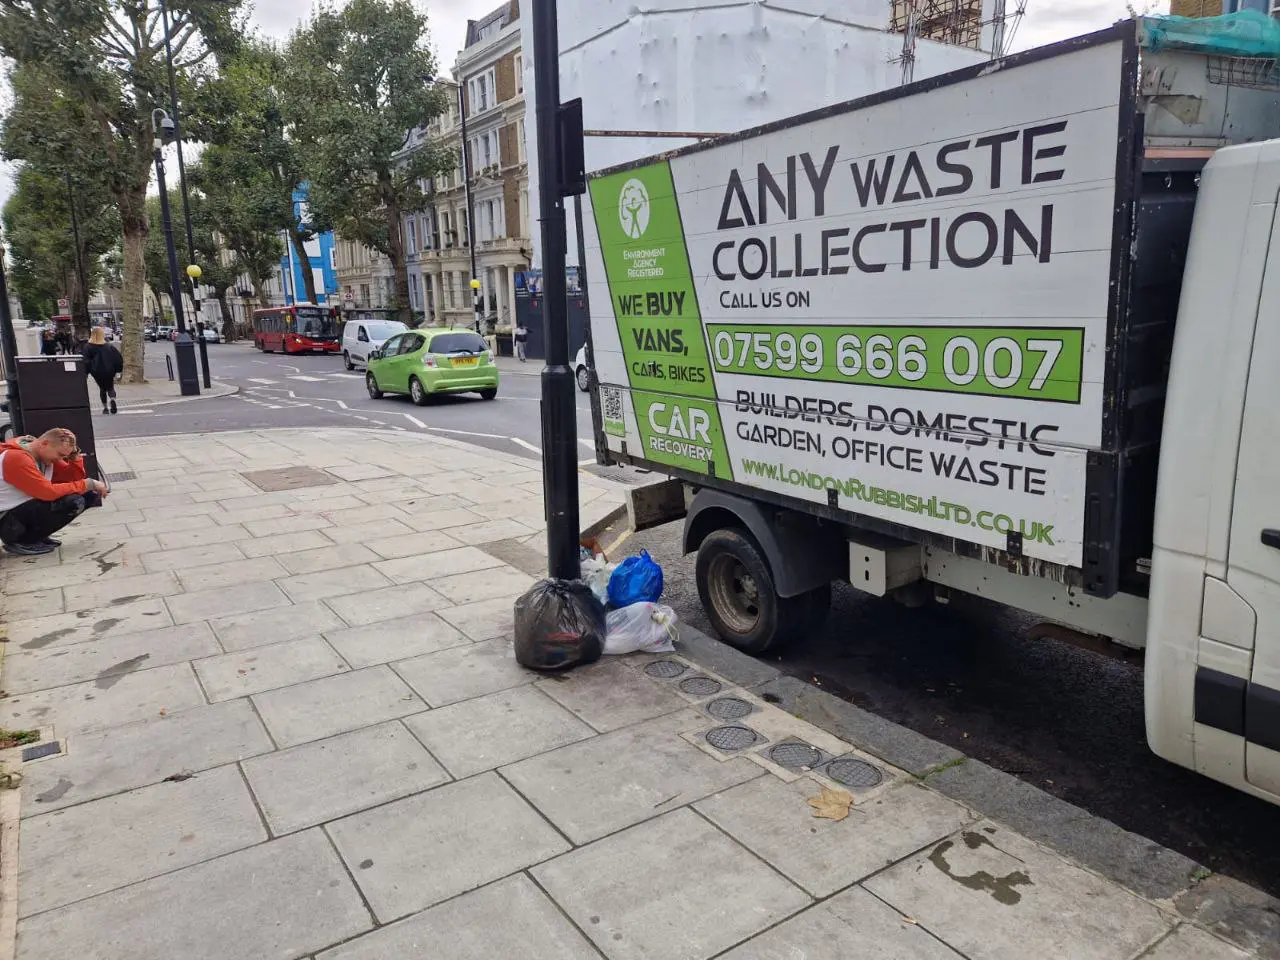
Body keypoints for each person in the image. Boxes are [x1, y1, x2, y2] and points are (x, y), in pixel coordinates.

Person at [0, 428, 107, 556]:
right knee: (73, 501)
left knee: (88, 495)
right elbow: (47, 492)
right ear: (44, 444)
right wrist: (89, 483)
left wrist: (74, 455)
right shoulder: (17, 458)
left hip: (18, 513)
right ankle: (22, 540)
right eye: (60, 455)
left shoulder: (42, 453)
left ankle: (35, 536)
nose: (60, 459)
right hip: (6, 520)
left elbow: (73, 477)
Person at [82, 327, 124, 414]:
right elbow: (117, 359)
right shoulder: (109, 346)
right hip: (109, 370)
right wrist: (118, 369)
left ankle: (105, 408)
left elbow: (86, 361)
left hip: (97, 371)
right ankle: (112, 399)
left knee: (102, 388)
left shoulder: (88, 346)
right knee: (110, 387)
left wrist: (86, 372)